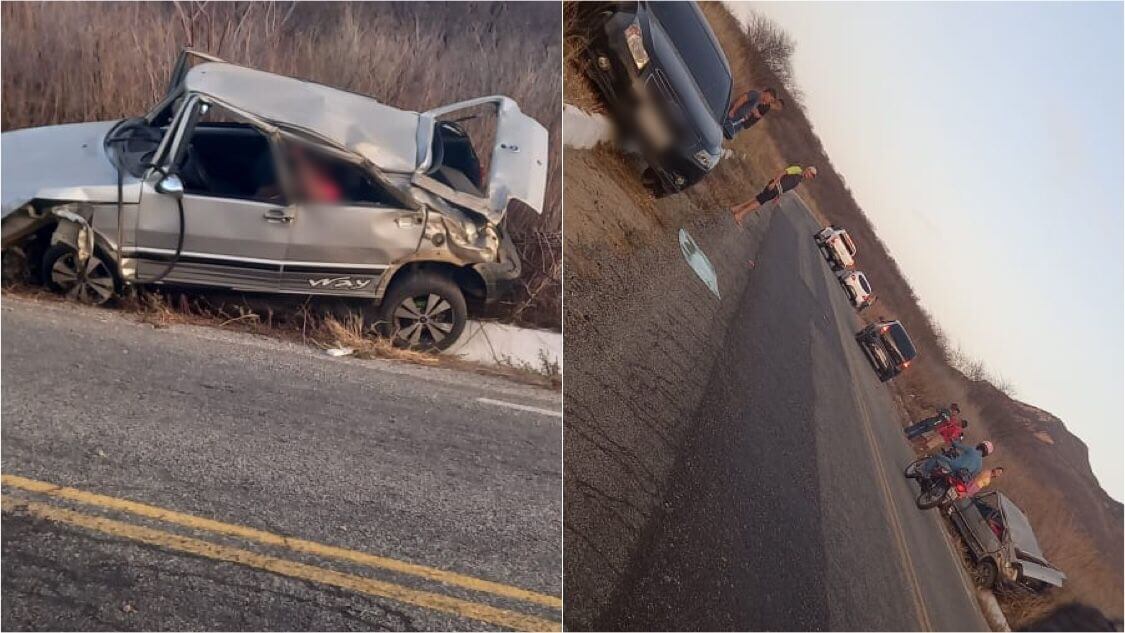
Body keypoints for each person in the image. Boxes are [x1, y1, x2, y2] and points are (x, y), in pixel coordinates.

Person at [730, 164, 817, 225]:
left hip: (776, 191)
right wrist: (774, 183)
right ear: (807, 169)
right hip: (774, 186)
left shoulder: (800, 180)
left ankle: (736, 208)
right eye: (811, 174)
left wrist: (778, 196)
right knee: (759, 202)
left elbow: (786, 187)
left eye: (812, 176)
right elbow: (783, 172)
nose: (810, 176)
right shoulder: (797, 169)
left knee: (758, 198)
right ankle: (739, 215)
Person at [923, 439, 993, 481]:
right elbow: (972, 476)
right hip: (959, 477)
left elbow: (957, 445)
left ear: (980, 445)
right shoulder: (980, 465)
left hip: (952, 465)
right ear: (986, 454)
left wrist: (952, 441)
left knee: (936, 456)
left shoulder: (971, 450)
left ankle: (925, 473)